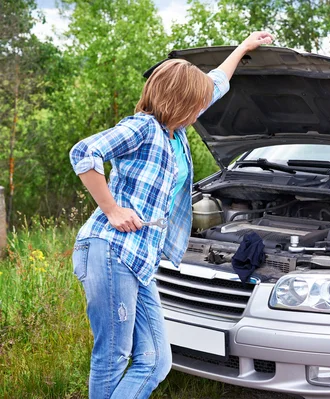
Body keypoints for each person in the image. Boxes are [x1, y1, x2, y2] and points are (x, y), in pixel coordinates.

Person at [69, 31, 274, 399]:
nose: (200, 111)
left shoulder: (175, 133)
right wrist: (112, 209)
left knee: (156, 360)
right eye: (194, 104)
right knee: (114, 356)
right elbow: (84, 154)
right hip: (111, 250)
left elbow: (215, 85)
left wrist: (243, 48)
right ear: (176, 101)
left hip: (141, 259)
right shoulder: (144, 128)